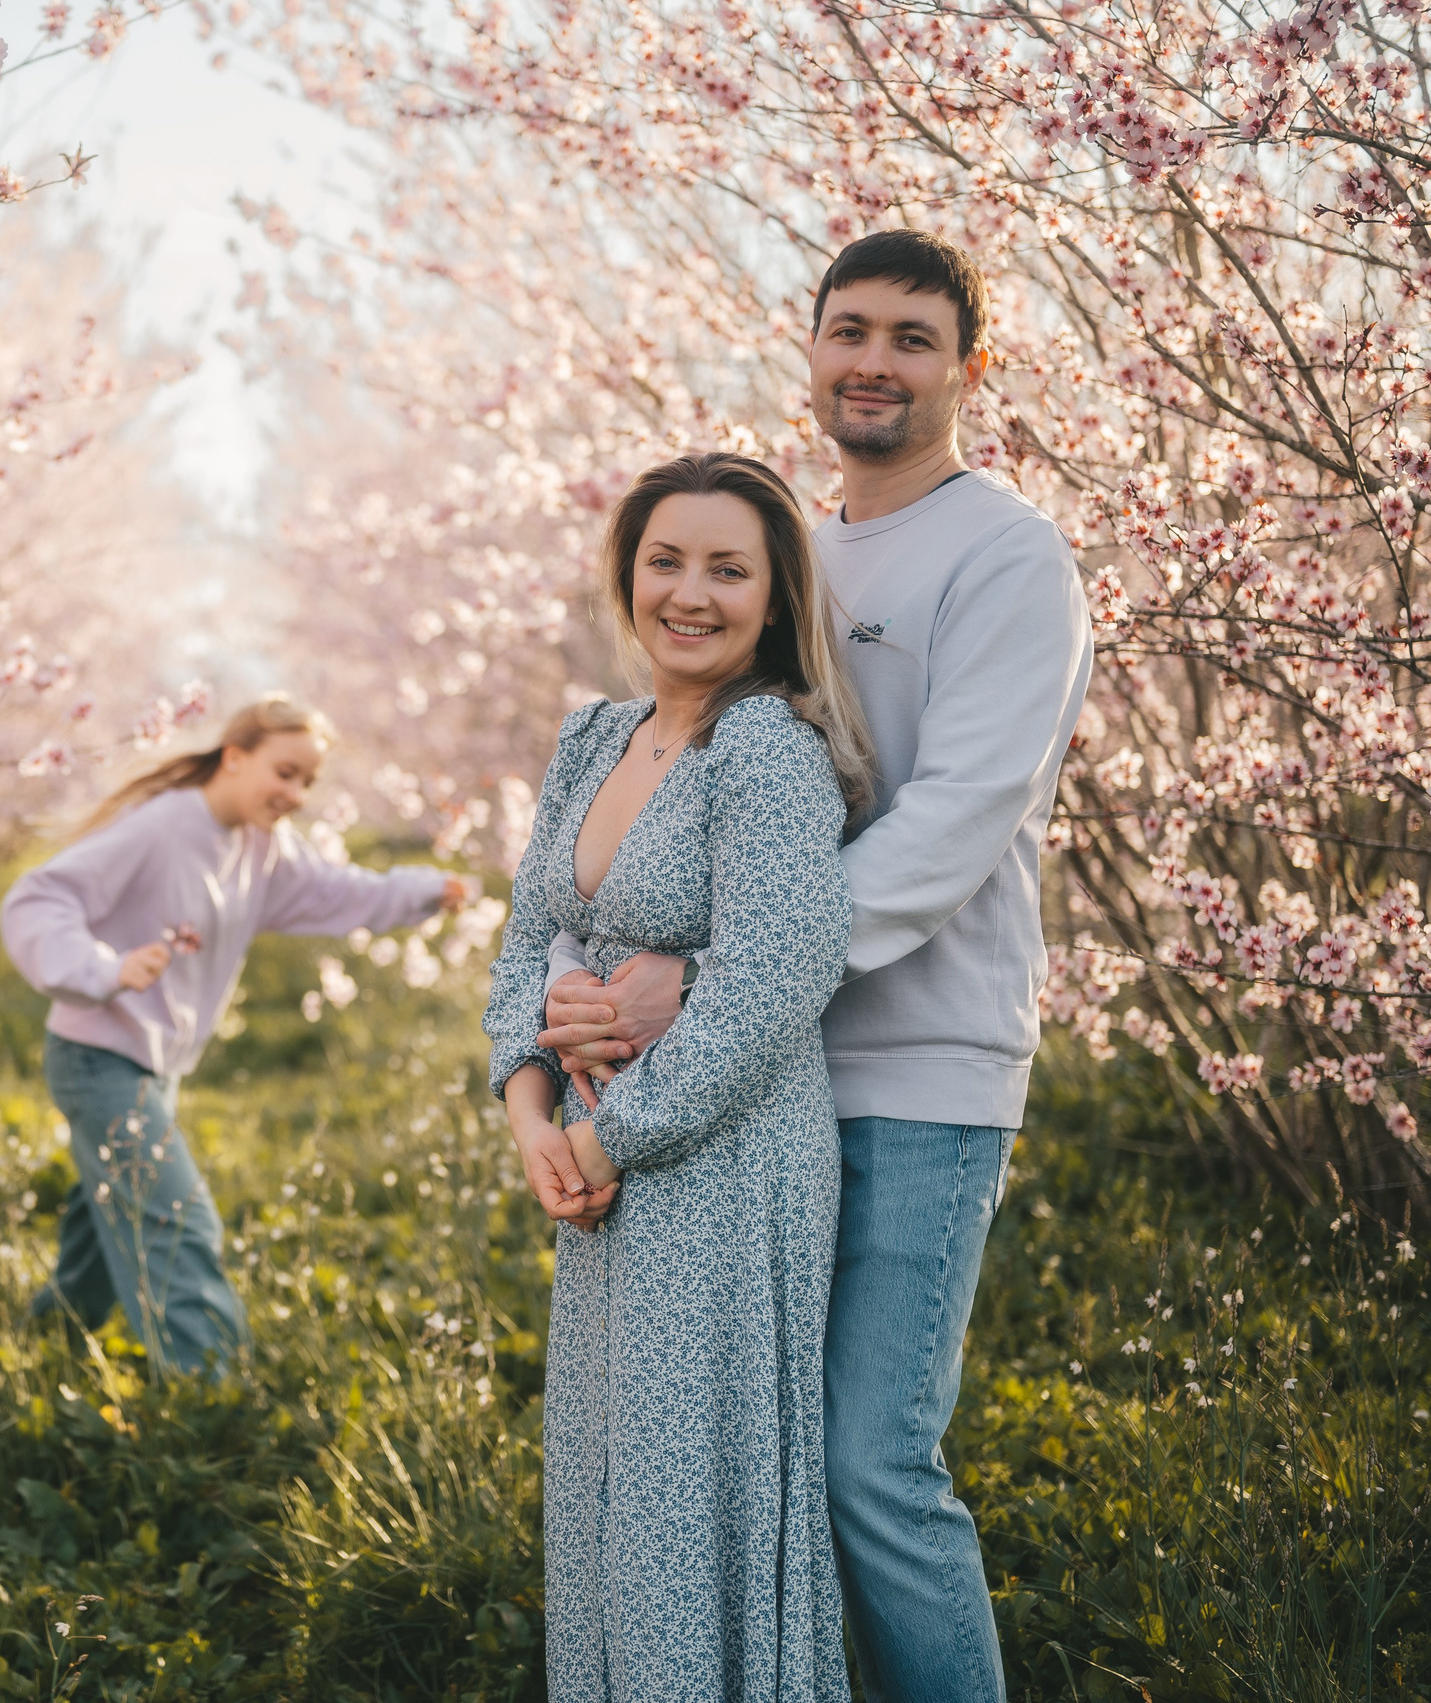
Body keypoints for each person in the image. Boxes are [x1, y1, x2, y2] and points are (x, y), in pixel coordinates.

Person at [537, 230, 1094, 1701]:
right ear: (811, 350)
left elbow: (964, 811)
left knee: (870, 1463)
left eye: (914, 337)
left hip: (921, 1059)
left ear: (970, 369)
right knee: (754, 1462)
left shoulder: (1006, 553)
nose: (874, 360)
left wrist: (720, 976)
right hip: (747, 1089)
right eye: (850, 329)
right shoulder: (786, 548)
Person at [488, 450, 873, 1701]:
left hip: (726, 1162)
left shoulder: (764, 748)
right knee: (612, 1474)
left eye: (727, 567)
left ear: (773, 595)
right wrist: (529, 1110)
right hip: (596, 1165)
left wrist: (615, 1139)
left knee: (689, 1480)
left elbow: (776, 971)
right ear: (627, 574)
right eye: (665, 560)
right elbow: (518, 945)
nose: (690, 592)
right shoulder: (593, 735)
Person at [1, 695, 471, 1374]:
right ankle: (210, 1394)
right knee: (176, 1218)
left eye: (308, 780)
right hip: (97, 1055)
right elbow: (38, 898)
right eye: (285, 772)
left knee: (106, 1216)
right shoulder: (161, 826)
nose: (296, 793)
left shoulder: (260, 846)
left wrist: (424, 889)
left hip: (152, 1064)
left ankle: (48, 1337)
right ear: (234, 756)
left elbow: (342, 892)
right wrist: (105, 969)